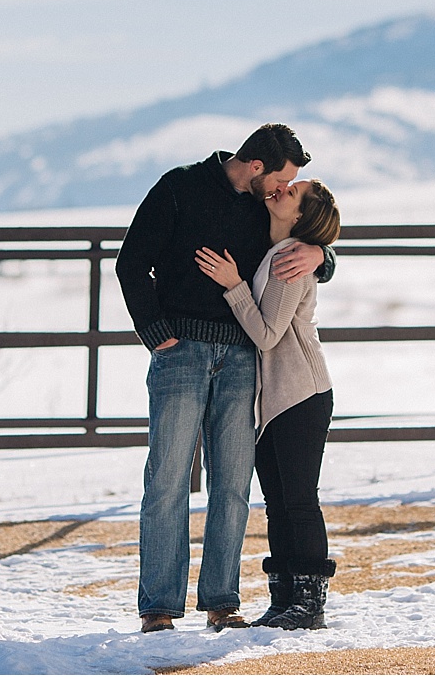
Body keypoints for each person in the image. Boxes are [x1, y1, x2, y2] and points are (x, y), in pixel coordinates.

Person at [116, 124, 335, 634]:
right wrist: (155, 332)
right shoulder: (179, 186)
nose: (284, 190)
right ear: (257, 167)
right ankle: (159, 608)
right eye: (283, 179)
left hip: (242, 358)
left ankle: (221, 601)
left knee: (233, 484)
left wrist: (324, 257)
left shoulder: (267, 207)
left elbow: (309, 235)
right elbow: (132, 262)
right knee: (168, 480)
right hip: (181, 353)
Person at [195, 178, 341, 630]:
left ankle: (309, 602)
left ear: (300, 216)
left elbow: (266, 334)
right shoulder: (276, 245)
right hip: (276, 397)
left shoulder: (289, 257)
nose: (280, 191)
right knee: (278, 502)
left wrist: (234, 284)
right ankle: (284, 600)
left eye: (292, 192)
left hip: (300, 392)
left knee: (298, 500)